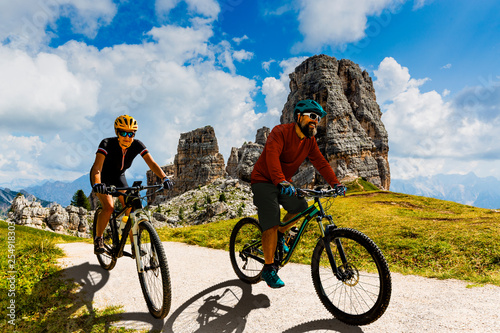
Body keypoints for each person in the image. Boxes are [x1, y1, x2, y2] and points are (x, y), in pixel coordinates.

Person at [250, 99, 341, 288]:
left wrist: (336, 183)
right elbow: (272, 156)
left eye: (318, 118)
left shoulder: (309, 141)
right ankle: (268, 269)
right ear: (299, 117)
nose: (315, 121)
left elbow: (321, 163)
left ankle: (281, 235)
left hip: (283, 181)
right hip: (264, 180)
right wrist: (280, 180)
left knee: (300, 206)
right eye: (312, 116)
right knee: (272, 219)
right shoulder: (280, 132)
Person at [90, 115, 173, 254]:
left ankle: (135, 245)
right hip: (101, 177)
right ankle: (99, 238)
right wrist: (98, 183)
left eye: (131, 133)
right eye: (123, 133)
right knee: (109, 207)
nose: (127, 137)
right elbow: (97, 167)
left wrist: (165, 178)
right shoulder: (106, 143)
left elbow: (152, 163)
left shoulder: (137, 145)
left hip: (119, 177)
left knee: (130, 209)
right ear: (117, 132)